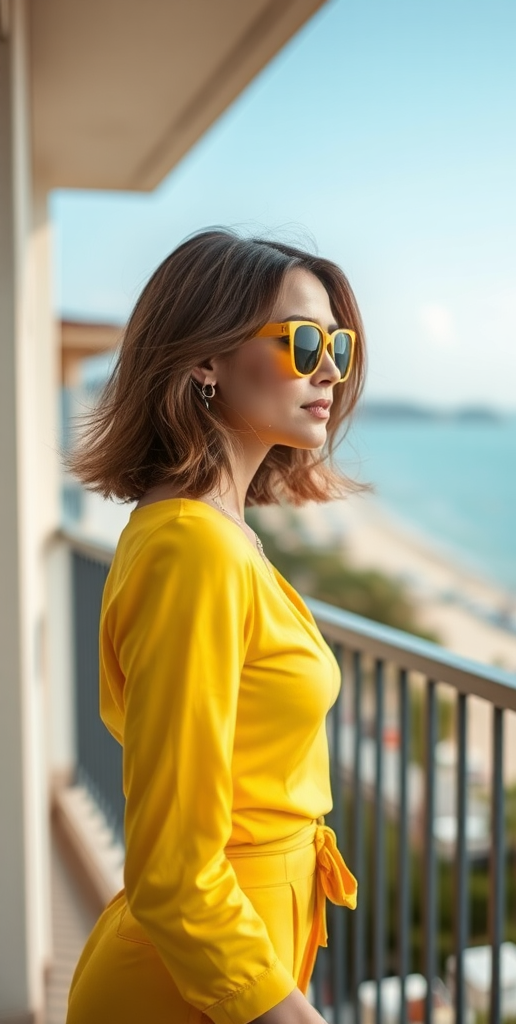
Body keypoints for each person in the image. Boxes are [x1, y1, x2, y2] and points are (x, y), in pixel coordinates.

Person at [65, 228, 364, 1024]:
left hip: (238, 955)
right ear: (206, 359)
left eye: (337, 342)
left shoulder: (210, 531)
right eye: (303, 340)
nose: (330, 366)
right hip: (196, 983)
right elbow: (172, 869)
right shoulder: (193, 550)